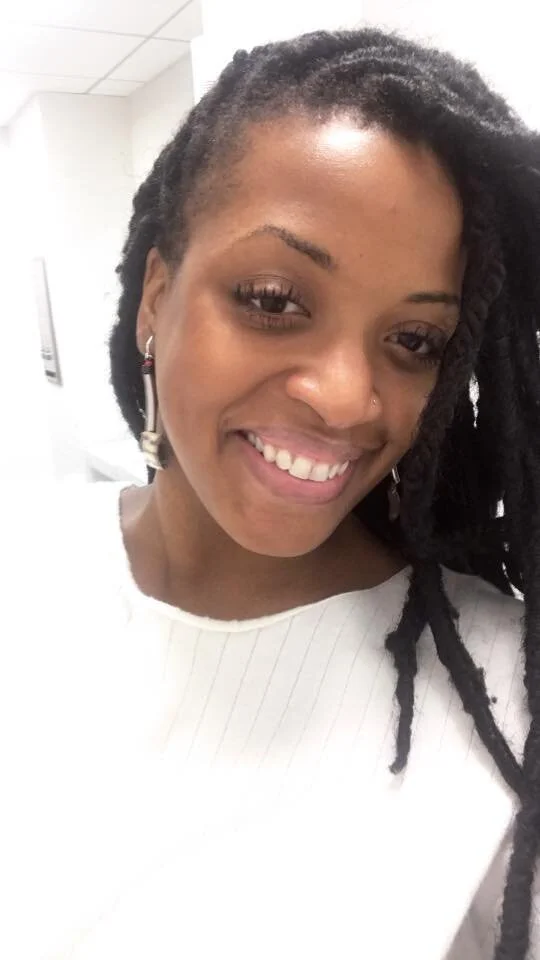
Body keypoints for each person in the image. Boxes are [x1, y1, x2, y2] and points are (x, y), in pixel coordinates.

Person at [5, 24, 540, 960]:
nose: (345, 395)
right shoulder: (25, 564)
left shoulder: (503, 695)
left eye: (413, 341)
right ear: (155, 301)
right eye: (271, 298)